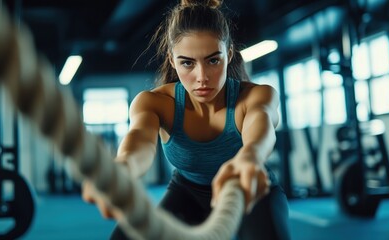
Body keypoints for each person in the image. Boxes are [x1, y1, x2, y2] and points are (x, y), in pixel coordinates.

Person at [83, 0, 290, 239]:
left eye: (213, 60)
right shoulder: (155, 103)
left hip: (250, 191)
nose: (202, 77)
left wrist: (250, 158)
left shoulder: (256, 96)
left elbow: (260, 128)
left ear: (229, 53)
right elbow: (139, 140)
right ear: (172, 60)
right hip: (187, 194)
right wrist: (124, 167)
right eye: (187, 63)